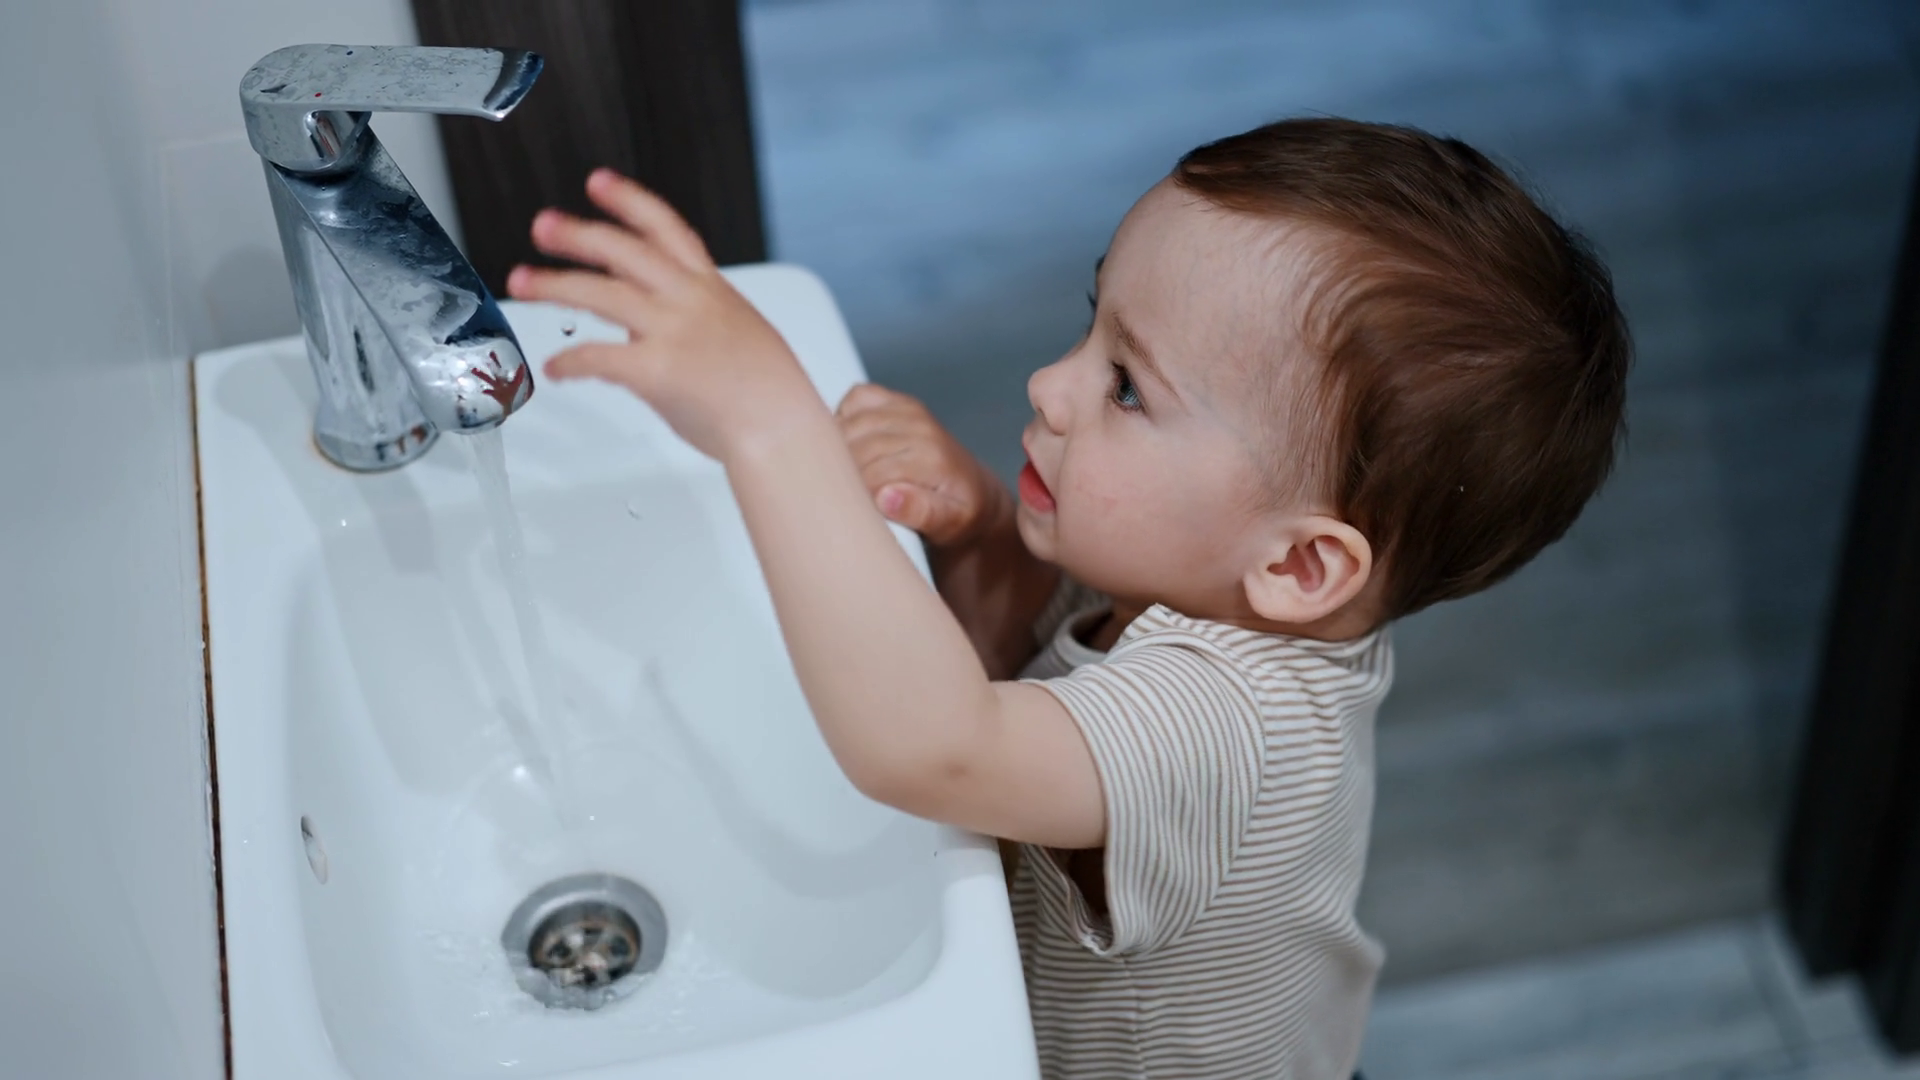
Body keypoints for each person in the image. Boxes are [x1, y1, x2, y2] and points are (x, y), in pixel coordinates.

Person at [504, 117, 1631, 1080]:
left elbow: (938, 747)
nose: (1050, 384)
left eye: (1126, 387)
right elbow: (1030, 678)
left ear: (1298, 568)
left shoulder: (1231, 724)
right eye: (1094, 323)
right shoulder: (1190, 573)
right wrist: (986, 535)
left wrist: (769, 426)